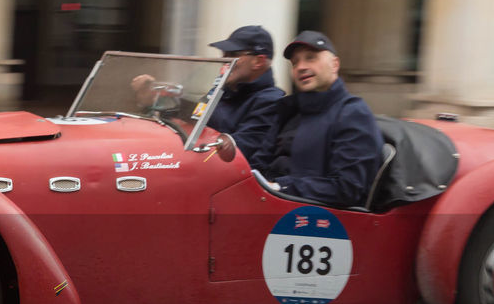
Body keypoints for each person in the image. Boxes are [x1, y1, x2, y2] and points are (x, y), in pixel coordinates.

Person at [251, 31, 383, 208]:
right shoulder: (289, 109)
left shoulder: (353, 113)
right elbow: (259, 162)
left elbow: (348, 188)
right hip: (267, 203)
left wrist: (281, 187)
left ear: (334, 64)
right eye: (295, 62)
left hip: (309, 217)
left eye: (310, 58)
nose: (301, 67)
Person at [130, 25, 283, 157]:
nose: (225, 60)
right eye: (224, 55)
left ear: (258, 61)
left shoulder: (270, 101)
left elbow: (237, 149)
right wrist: (155, 98)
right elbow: (193, 116)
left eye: (233, 55)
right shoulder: (222, 91)